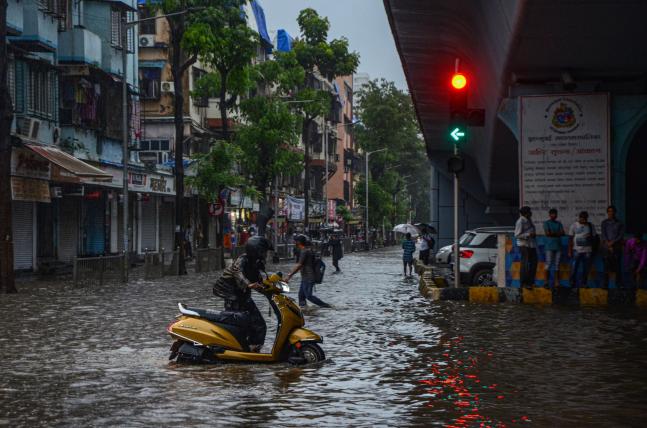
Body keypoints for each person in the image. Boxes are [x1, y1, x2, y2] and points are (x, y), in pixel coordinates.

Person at [211, 236, 273, 352]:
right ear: (256, 251)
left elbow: (259, 280)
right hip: (232, 297)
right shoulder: (242, 260)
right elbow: (238, 272)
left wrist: (272, 288)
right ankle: (238, 350)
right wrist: (248, 284)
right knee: (240, 325)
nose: (265, 254)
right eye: (264, 251)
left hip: (244, 296)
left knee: (259, 325)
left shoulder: (255, 263)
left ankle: (253, 349)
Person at [286, 235, 331, 308]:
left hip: (308, 277)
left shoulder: (304, 251)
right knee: (301, 296)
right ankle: (304, 311)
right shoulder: (306, 250)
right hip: (305, 277)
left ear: (299, 242)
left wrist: (289, 275)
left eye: (296, 241)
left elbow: (299, 265)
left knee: (308, 296)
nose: (295, 243)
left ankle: (326, 306)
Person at [568, 211, 597, 288]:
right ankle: (572, 284)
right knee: (574, 268)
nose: (584, 220)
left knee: (585, 269)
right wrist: (570, 250)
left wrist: (593, 248)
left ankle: (584, 283)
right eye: (582, 218)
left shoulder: (591, 226)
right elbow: (570, 238)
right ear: (579, 218)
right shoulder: (574, 225)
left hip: (588, 251)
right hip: (576, 251)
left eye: (585, 219)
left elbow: (594, 237)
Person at [601, 205, 625, 288]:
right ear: (607, 213)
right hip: (606, 248)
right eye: (609, 211)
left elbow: (620, 235)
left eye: (612, 211)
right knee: (606, 267)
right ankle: (605, 284)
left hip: (616, 248)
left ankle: (619, 284)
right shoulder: (604, 223)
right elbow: (603, 234)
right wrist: (608, 244)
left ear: (615, 212)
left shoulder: (620, 223)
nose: (611, 213)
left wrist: (613, 243)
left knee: (618, 267)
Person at [515, 206, 537, 288]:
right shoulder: (520, 221)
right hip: (524, 245)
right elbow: (517, 235)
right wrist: (528, 234)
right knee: (525, 264)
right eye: (529, 212)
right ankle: (524, 283)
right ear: (526, 213)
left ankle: (531, 282)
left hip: (531, 245)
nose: (531, 213)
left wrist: (533, 234)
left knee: (534, 263)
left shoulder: (529, 220)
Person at [543, 208, 564, 288]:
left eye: (555, 214)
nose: (554, 215)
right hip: (549, 246)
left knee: (557, 265)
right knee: (548, 264)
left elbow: (563, 233)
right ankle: (546, 282)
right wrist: (557, 233)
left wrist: (553, 233)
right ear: (549, 215)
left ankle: (557, 282)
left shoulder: (559, 223)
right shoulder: (546, 223)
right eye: (552, 214)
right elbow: (547, 234)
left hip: (558, 246)